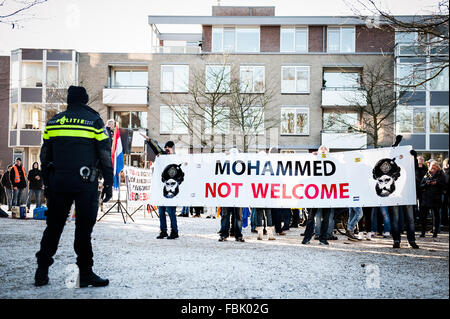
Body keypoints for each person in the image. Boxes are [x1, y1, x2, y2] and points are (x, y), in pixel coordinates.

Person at [34, 85, 113, 287]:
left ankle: (41, 271)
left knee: (53, 228)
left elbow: (44, 156)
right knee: (83, 230)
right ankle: (85, 273)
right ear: (85, 100)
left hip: (58, 182)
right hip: (85, 183)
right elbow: (104, 154)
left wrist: (47, 181)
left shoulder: (53, 122)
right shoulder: (94, 121)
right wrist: (109, 183)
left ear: (68, 101)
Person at [156, 141, 180, 239]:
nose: (167, 149)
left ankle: (174, 231)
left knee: (170, 212)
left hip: (172, 189)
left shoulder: (176, 159)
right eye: (166, 148)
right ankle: (163, 231)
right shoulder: (162, 158)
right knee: (161, 212)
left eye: (169, 148)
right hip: (162, 189)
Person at [419, 161, 446, 238]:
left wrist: (436, 183)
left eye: (435, 167)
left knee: (436, 216)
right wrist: (426, 184)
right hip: (426, 198)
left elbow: (444, 186)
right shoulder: (427, 174)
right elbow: (420, 186)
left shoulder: (441, 175)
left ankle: (435, 232)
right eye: (432, 167)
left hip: (436, 198)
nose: (433, 169)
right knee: (423, 216)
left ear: (437, 167)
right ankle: (423, 232)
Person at [441, 158, 449, 226]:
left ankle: (445, 222)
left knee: (445, 208)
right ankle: (444, 222)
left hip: (446, 192)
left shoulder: (445, 172)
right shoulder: (442, 171)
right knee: (444, 208)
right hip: (443, 192)